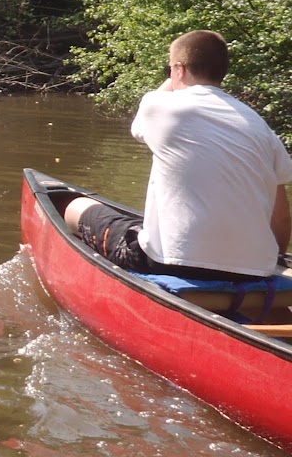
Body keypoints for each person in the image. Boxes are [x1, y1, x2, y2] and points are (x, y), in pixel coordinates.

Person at [65, 30, 292, 281]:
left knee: (75, 206)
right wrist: (271, 264)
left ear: (179, 70)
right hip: (255, 271)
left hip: (170, 263)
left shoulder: (159, 106)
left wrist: (173, 73)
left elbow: (153, 106)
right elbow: (281, 216)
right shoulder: (260, 127)